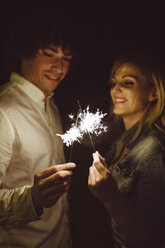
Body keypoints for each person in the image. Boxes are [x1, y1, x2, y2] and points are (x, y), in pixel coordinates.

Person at [0, 10, 79, 248]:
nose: (60, 67)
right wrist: (32, 198)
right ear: (25, 50)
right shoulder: (4, 111)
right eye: (49, 54)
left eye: (67, 57)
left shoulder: (50, 103)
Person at [88, 53, 165, 248]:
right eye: (113, 83)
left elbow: (151, 239)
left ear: (153, 93)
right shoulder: (120, 143)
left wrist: (110, 197)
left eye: (128, 83)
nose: (115, 89)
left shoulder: (154, 152)